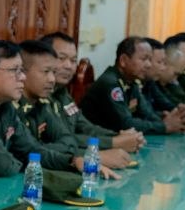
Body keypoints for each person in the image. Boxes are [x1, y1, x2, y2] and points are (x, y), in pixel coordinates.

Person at [0, 40, 108, 179]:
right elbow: (4, 166)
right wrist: (25, 162)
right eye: (15, 70)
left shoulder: (4, 104)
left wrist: (73, 161)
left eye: (22, 70)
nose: (22, 77)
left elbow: (32, 150)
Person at [17, 40, 132, 169]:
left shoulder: (52, 98)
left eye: (73, 60)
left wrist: (116, 137)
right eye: (62, 58)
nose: (52, 79)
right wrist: (99, 152)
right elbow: (26, 152)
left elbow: (70, 139)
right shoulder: (14, 106)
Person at [39, 32, 144, 154]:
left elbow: (85, 126)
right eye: (61, 58)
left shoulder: (62, 92)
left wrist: (118, 135)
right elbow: (62, 139)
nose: (69, 66)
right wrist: (113, 142)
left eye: (73, 60)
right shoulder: (40, 96)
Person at [81, 37, 185, 134]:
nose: (148, 65)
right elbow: (125, 123)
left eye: (150, 60)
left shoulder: (132, 81)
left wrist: (170, 120)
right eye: (144, 59)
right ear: (123, 60)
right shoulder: (110, 83)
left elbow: (146, 113)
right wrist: (164, 127)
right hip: (96, 142)